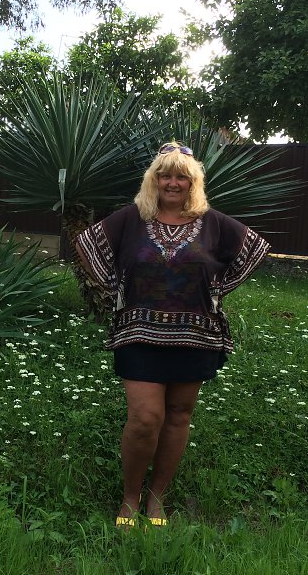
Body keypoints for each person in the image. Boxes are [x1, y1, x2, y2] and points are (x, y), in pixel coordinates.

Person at [76, 142, 270, 528]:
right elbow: (87, 243)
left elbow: (254, 249)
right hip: (138, 333)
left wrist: (216, 290)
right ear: (154, 179)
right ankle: (130, 497)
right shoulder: (132, 218)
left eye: (182, 176)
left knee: (179, 415)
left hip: (195, 336)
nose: (173, 182)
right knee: (145, 418)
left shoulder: (213, 222)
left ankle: (156, 498)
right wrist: (116, 288)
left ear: (193, 182)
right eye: (165, 174)